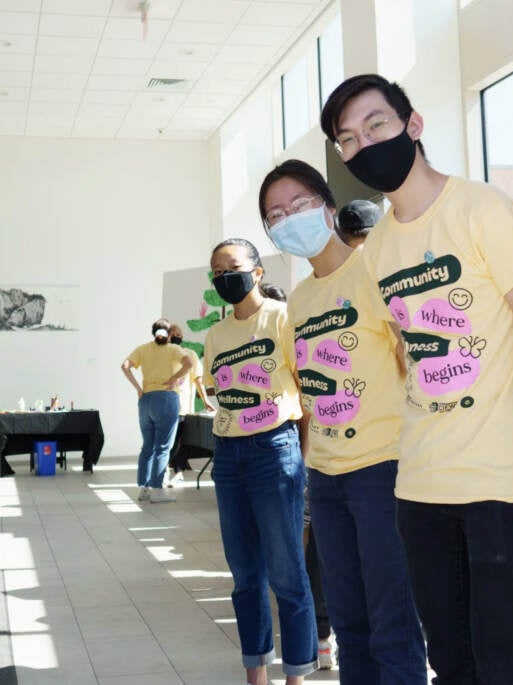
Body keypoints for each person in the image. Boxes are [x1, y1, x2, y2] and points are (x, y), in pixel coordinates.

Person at [321, 74, 513, 684]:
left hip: (505, 483)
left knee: (504, 663)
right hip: (421, 487)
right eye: (347, 140)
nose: (363, 144)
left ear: (413, 125)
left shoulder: (486, 210)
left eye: (375, 125)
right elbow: (406, 354)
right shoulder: (377, 251)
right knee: (450, 663)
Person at [261, 159, 426, 682]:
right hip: (326, 479)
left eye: (301, 205)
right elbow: (309, 395)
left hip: (383, 471)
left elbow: (413, 366)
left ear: (329, 208)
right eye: (276, 214)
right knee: (349, 626)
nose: (290, 218)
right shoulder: (302, 299)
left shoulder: (374, 268)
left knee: (392, 623)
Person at [203, 238, 317, 685]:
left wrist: (302, 463)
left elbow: (306, 395)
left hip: (275, 450)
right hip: (229, 455)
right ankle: (257, 674)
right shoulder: (215, 334)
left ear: (258, 271)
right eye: (215, 271)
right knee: (244, 574)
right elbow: (219, 393)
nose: (223, 277)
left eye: (230, 266)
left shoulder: (283, 318)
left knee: (287, 572)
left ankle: (297, 675)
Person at [121, 319, 193, 503]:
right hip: (167, 399)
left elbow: (125, 366)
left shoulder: (143, 349)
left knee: (147, 446)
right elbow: (189, 364)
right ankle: (157, 490)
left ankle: (144, 489)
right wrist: (174, 379)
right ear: (169, 335)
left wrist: (138, 387)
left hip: (146, 400)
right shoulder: (174, 349)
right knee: (163, 447)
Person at [166, 322, 213, 485]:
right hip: (164, 406)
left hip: (182, 408)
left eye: (179, 334)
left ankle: (177, 472)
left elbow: (198, 380)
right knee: (167, 442)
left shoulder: (190, 354)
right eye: (173, 334)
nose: (176, 337)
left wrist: (206, 400)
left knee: (178, 442)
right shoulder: (161, 355)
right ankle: (163, 472)